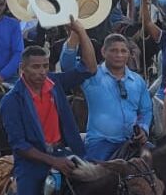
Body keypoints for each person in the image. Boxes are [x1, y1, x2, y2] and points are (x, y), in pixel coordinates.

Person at [0, 27, 95, 195]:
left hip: (63, 152)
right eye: (36, 67)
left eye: (45, 66)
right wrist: (54, 162)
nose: (42, 72)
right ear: (22, 69)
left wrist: (81, 32)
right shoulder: (11, 101)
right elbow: (19, 145)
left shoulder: (55, 83)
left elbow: (90, 68)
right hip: (31, 162)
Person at [63, 32, 151, 161]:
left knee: (160, 162)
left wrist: (143, 128)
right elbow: (68, 66)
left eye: (123, 51)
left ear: (129, 53)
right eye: (114, 50)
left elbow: (146, 110)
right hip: (101, 143)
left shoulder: (138, 81)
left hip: (132, 142)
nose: (119, 55)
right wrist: (75, 34)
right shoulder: (92, 75)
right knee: (97, 172)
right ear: (103, 52)